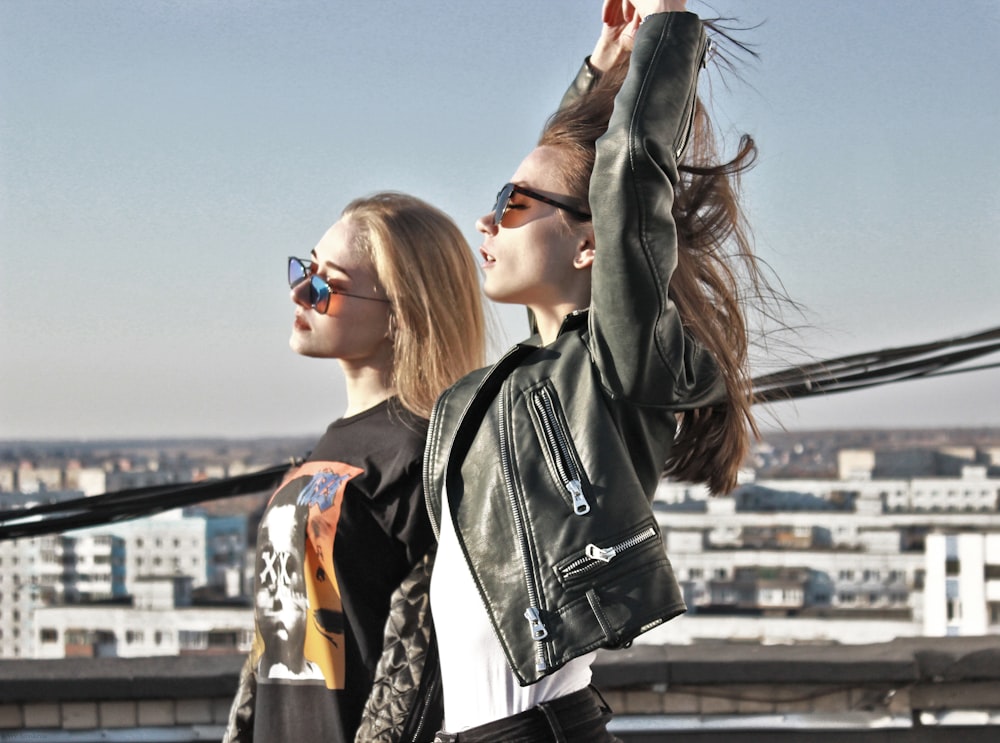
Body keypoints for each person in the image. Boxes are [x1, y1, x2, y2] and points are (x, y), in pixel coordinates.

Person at [425, 1, 773, 740]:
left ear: (593, 245)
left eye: (513, 205)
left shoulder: (615, 367)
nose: (487, 221)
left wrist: (666, 28)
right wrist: (604, 68)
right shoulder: (531, 380)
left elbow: (624, 173)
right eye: (496, 198)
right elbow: (575, 172)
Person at [224, 192, 486, 743]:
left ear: (401, 314)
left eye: (327, 285)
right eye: (306, 270)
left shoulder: (426, 455)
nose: (300, 292)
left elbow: (436, 663)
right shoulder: (337, 443)